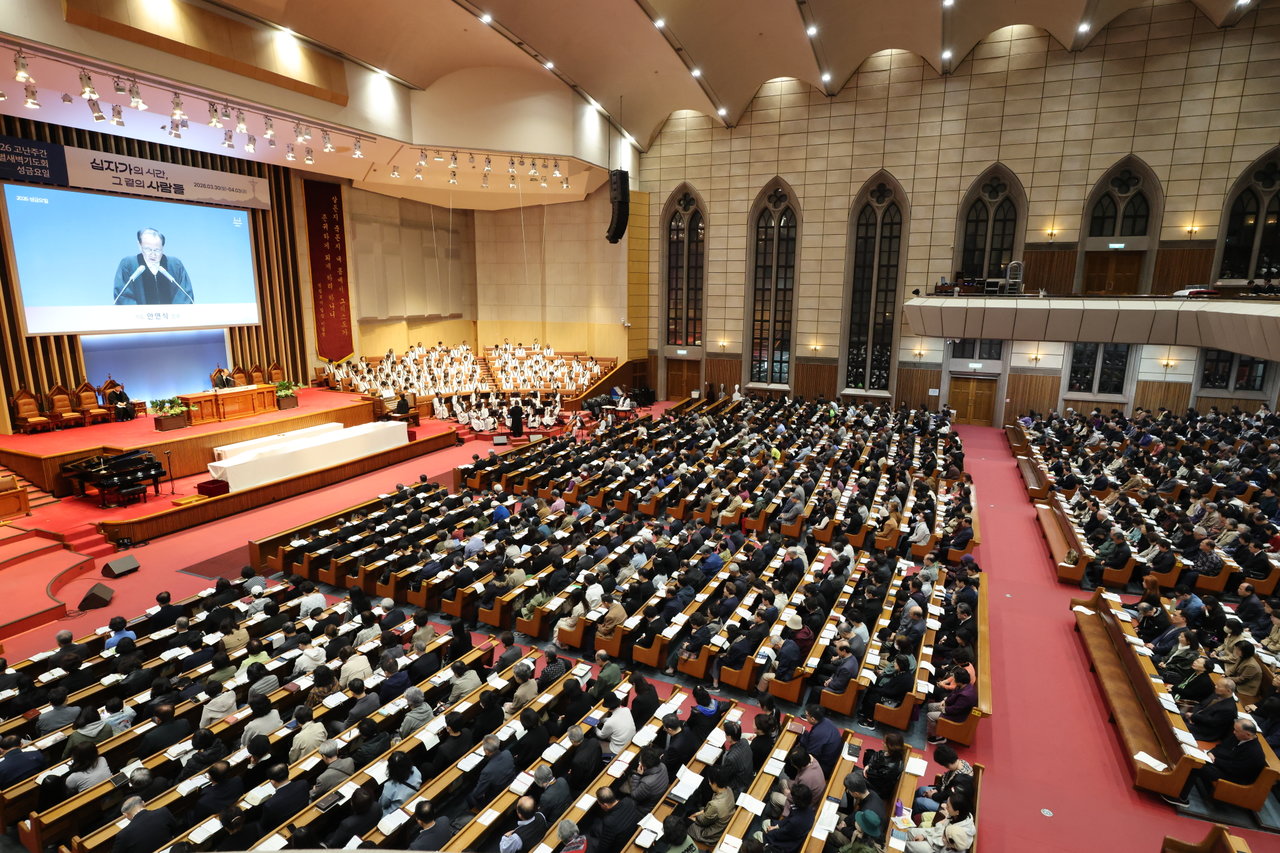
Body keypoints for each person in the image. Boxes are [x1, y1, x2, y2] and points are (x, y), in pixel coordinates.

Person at [1164, 718, 1268, 806]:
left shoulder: (1254, 753)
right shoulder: (1239, 735)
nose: (1234, 732)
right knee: (1192, 758)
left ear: (1248, 734)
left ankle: (1182, 798)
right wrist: (1211, 753)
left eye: (1236, 731)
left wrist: (1215, 760)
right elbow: (1221, 747)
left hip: (1233, 776)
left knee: (1197, 767)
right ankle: (1173, 783)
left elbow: (1236, 769)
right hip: (1223, 765)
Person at [113, 227, 194, 305]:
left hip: (172, 314)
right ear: (139, 246)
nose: (153, 254)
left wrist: (172, 312)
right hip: (138, 314)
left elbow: (185, 296)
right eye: (148, 249)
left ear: (163, 247)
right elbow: (123, 297)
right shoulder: (128, 265)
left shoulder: (175, 265)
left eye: (157, 250)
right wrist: (141, 313)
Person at [113, 797, 178, 853]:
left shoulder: (123, 835)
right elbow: (175, 830)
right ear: (143, 803)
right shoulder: (163, 812)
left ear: (125, 815)